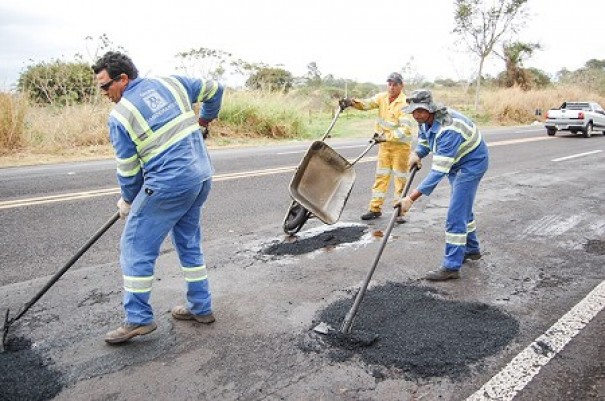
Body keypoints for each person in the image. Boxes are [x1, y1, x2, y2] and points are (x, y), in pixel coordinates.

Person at [92, 51, 224, 344]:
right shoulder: (173, 83)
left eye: (105, 86)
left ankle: (138, 319)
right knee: (188, 242)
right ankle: (201, 307)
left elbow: (129, 171)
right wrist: (204, 122)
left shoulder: (121, 115)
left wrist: (128, 200)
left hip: (169, 185)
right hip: (200, 177)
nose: (103, 93)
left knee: (135, 247)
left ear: (123, 79)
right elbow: (216, 89)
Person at [395, 89, 489, 281]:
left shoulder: (448, 129)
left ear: (431, 109)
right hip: (457, 161)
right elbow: (425, 141)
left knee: (455, 214)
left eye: (421, 111)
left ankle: (451, 267)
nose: (417, 115)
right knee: (463, 208)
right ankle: (471, 249)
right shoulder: (425, 121)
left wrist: (410, 199)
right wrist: (418, 153)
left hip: (470, 164)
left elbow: (438, 171)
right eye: (414, 111)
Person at [341, 72, 415, 224]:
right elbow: (367, 104)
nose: (391, 87)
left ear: (401, 86)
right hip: (384, 146)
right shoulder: (382, 97)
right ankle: (375, 209)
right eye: (389, 83)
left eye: (395, 84)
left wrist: (385, 137)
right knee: (381, 177)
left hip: (400, 148)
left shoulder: (405, 104)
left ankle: (399, 211)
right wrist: (352, 103)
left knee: (400, 180)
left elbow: (405, 130)